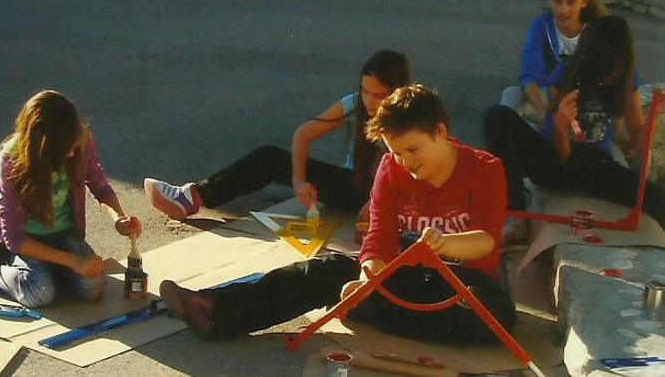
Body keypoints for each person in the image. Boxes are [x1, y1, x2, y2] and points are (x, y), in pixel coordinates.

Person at [159, 85, 515, 344]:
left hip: (462, 280)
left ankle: (376, 310)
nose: (406, 162)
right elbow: (379, 239)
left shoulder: (485, 169)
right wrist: (368, 279)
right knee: (326, 270)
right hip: (403, 272)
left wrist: (444, 244)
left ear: (440, 132)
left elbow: (486, 241)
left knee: (496, 316)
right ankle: (213, 308)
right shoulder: (391, 168)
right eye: (396, 152)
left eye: (413, 149)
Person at [0, 90, 142, 308]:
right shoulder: (12, 161)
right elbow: (14, 239)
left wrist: (119, 219)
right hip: (27, 242)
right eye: (66, 149)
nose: (72, 153)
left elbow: (100, 186)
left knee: (92, 287)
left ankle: (52, 269)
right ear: (44, 147)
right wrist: (73, 261)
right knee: (39, 293)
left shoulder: (80, 139)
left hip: (63, 235)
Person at [144, 50, 409, 223]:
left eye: (378, 95)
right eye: (364, 91)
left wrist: (379, 204)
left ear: (398, 91)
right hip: (354, 187)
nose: (369, 100)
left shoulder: (413, 116)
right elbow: (304, 134)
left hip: (392, 200)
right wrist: (298, 180)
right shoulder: (354, 104)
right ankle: (192, 197)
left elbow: (418, 176)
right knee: (270, 157)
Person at [485, 16, 665, 244]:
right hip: (554, 160)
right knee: (497, 116)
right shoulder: (567, 73)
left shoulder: (627, 78)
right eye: (611, 69)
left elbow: (638, 143)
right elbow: (562, 156)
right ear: (595, 60)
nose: (614, 75)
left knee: (658, 199)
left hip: (597, 166)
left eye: (620, 68)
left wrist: (653, 117)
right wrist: (560, 125)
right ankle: (517, 218)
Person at [501, 0, 607, 127]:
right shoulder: (541, 25)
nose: (563, 10)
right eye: (557, 1)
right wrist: (545, 116)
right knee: (511, 95)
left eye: (571, 2)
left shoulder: (597, 31)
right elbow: (529, 74)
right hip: (545, 99)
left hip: (580, 103)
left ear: (584, 2)